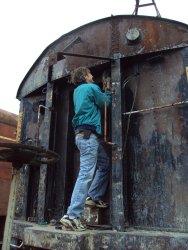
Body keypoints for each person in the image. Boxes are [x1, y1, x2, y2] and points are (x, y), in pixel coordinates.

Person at [60, 66, 112, 231]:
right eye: (89, 73)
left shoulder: (77, 91)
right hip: (89, 137)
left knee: (104, 164)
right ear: (85, 75)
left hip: (84, 136)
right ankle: (72, 215)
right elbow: (106, 103)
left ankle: (94, 196)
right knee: (85, 174)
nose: (91, 76)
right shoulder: (91, 87)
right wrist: (109, 91)